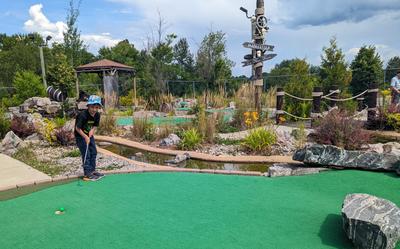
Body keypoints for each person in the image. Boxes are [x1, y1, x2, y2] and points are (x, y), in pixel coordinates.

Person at [75, 95, 104, 181]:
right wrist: (85, 137)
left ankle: (92, 170)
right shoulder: (82, 115)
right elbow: (77, 128)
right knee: (86, 153)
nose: (94, 110)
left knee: (93, 152)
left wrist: (92, 131)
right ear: (88, 106)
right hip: (80, 136)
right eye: (92, 107)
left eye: (96, 107)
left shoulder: (97, 115)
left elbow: (95, 125)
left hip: (89, 135)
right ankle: (87, 173)